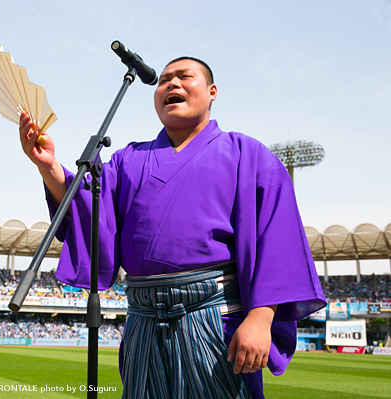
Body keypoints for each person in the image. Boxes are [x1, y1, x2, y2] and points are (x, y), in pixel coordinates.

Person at [19, 56, 326, 399]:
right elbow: (92, 210)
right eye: (164, 80)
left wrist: (260, 318)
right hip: (143, 319)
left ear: (212, 92)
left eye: (184, 76)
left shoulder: (247, 154)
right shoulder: (128, 159)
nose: (172, 84)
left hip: (214, 318)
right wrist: (49, 167)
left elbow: (277, 241)